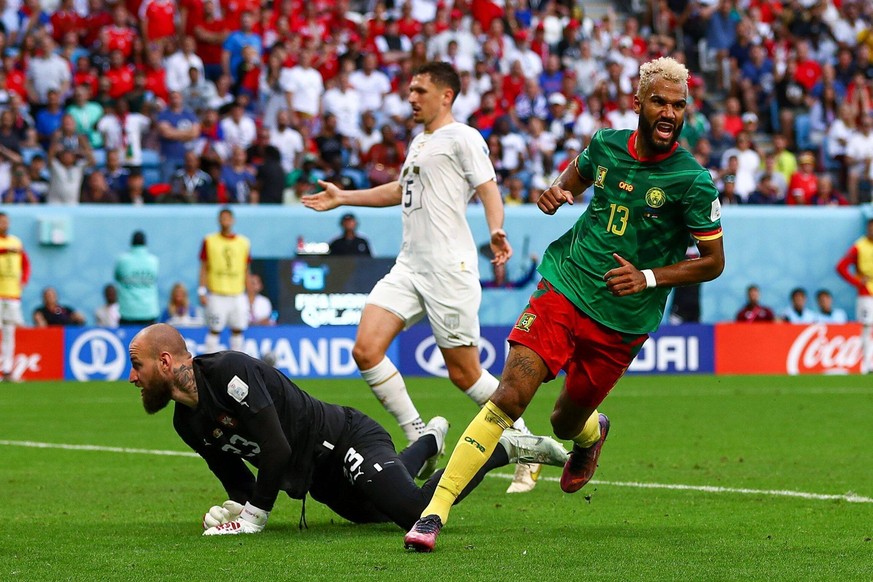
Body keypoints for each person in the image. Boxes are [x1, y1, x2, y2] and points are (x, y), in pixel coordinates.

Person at [403, 57, 726, 552]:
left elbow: (712, 262)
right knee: (510, 395)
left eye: (678, 105)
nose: (668, 112)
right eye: (659, 101)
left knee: (564, 422)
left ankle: (590, 435)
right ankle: (433, 512)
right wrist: (556, 193)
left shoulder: (692, 181)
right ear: (637, 101)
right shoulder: (605, 145)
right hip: (566, 284)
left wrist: (648, 277)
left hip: (623, 318)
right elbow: (571, 180)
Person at [303, 62, 538, 492]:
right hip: (409, 266)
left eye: (420, 90)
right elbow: (399, 190)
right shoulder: (420, 142)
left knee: (465, 374)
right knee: (365, 349)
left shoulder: (464, 137)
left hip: (450, 267)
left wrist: (497, 229)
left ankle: (525, 442)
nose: (411, 97)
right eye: (410, 90)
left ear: (445, 96)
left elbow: (488, 189)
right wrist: (343, 198)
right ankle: (418, 434)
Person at [127, 324, 569, 536]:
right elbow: (239, 479)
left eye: (138, 365)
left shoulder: (228, 371)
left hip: (345, 440)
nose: (132, 377)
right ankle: (430, 440)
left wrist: (254, 518)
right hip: (318, 477)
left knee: (413, 512)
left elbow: (275, 448)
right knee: (376, 513)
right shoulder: (186, 421)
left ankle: (502, 447)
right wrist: (232, 508)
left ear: (166, 362)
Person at [199, 208, 251, 353]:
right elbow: (204, 267)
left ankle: (238, 364)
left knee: (238, 330)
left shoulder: (243, 242)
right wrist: (202, 290)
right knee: (215, 329)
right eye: (222, 218)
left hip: (238, 293)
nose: (225, 221)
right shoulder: (209, 241)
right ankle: (210, 365)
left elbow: (247, 269)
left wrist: (250, 294)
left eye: (228, 218)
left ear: (233, 220)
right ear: (218, 220)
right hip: (217, 293)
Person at [836, 218, 873, 372]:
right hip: (866, 292)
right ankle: (866, 365)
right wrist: (857, 282)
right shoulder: (859, 246)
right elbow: (841, 267)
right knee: (867, 327)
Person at [0, 212, 30, 381]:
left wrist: (24, 280)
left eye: (6, 222)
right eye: (1, 222)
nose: (4, 225)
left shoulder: (16, 242)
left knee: (9, 332)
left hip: (12, 294)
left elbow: (25, 262)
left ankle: (7, 370)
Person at [114, 231, 160, 326]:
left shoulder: (122, 260)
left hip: (127, 311)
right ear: (145, 243)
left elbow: (117, 277)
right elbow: (155, 278)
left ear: (131, 243)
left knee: (129, 341)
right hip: (149, 310)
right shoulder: (154, 261)